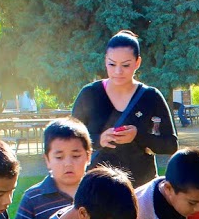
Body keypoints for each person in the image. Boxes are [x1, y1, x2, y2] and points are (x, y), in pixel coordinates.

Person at [73, 30, 179, 187]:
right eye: (112, 64)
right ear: (105, 61)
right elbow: (71, 139)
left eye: (125, 65)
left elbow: (171, 145)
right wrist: (98, 139)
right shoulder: (90, 94)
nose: (118, 71)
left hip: (141, 189)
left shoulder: (151, 96)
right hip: (97, 188)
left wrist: (138, 135)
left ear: (137, 63)